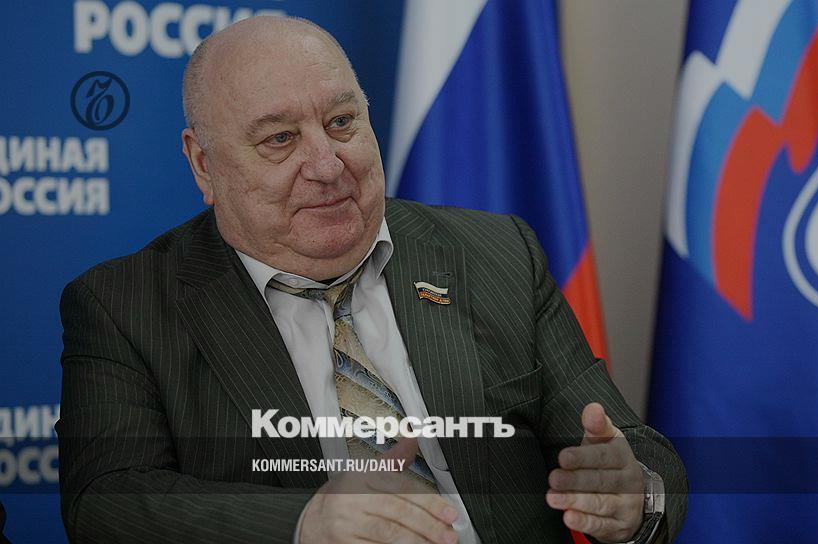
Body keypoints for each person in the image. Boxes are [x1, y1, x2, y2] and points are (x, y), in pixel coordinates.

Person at [57, 16, 686, 544]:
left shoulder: (497, 254)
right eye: (280, 139)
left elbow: (635, 450)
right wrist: (303, 525)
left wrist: (633, 494)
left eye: (341, 122)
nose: (327, 166)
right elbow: (105, 501)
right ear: (204, 164)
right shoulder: (125, 305)